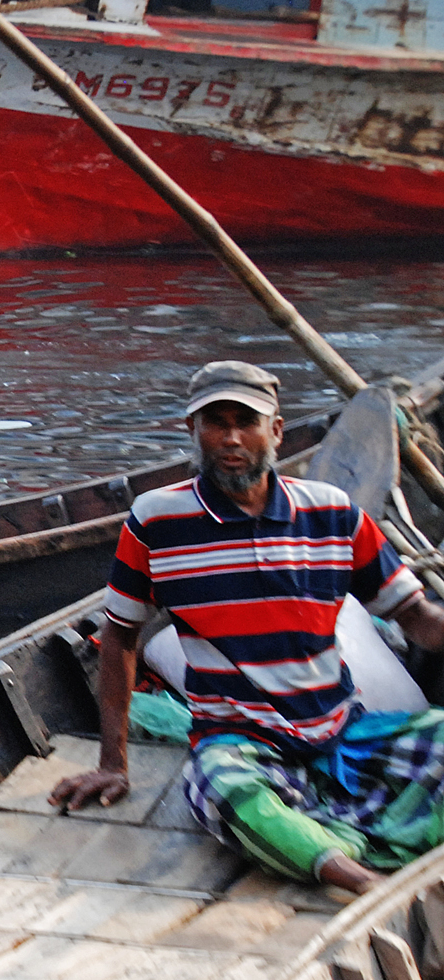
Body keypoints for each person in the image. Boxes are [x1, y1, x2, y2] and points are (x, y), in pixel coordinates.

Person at [51, 361, 444, 894]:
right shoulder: (156, 521)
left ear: (276, 431)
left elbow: (416, 619)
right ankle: (360, 881)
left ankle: (342, 839)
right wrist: (112, 762)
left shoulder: (332, 512)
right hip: (241, 741)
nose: (231, 438)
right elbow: (119, 636)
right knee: (218, 791)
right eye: (215, 423)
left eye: (247, 421)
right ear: (193, 432)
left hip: (344, 731)